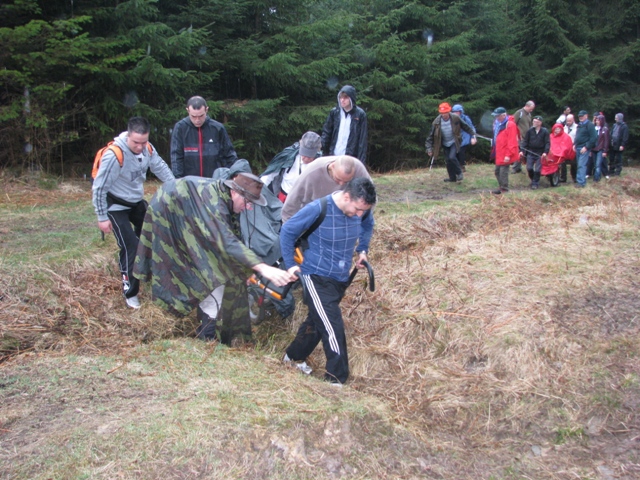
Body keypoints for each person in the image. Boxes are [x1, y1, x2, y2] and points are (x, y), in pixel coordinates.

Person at [133, 172, 297, 345]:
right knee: (199, 271)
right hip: (170, 212)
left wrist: (245, 270)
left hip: (192, 219)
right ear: (234, 192)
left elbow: (232, 236)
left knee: (216, 276)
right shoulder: (215, 204)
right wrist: (262, 267)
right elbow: (225, 241)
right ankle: (205, 337)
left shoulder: (228, 202)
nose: (249, 207)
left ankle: (205, 330)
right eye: (248, 201)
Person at [280, 177, 376, 385]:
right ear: (347, 196)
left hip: (340, 278)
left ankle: (293, 357)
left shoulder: (362, 209)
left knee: (317, 320)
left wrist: (363, 250)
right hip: (315, 275)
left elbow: (368, 224)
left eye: (363, 211)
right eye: (358, 209)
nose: (360, 215)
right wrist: (290, 264)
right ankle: (336, 379)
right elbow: (287, 231)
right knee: (332, 325)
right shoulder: (319, 208)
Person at [92, 117, 175, 310]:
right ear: (128, 136)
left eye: (143, 142)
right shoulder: (115, 156)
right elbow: (99, 188)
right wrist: (102, 217)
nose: (139, 146)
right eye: (135, 142)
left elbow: (160, 167)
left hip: (135, 201)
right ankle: (130, 293)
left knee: (155, 234)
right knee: (131, 245)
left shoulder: (148, 149)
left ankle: (151, 275)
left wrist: (175, 186)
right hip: (114, 205)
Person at [281, 155, 371, 223]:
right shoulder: (312, 172)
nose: (341, 184)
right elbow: (292, 203)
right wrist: (289, 230)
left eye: (347, 181)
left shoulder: (359, 169)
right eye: (338, 179)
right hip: (313, 215)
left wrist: (358, 219)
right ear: (332, 167)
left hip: (343, 217)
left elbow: (370, 199)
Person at [170, 96, 238, 178]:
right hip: (190, 183)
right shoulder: (180, 128)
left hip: (214, 181)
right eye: (193, 116)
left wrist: (233, 176)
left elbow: (229, 155)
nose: (197, 120)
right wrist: (178, 180)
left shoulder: (218, 128)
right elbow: (176, 157)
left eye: (201, 116)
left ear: (206, 110)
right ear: (187, 111)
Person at [260, 132, 322, 202]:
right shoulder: (289, 156)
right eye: (304, 154)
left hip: (306, 201)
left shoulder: (320, 163)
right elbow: (269, 175)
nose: (306, 158)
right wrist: (259, 189)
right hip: (285, 198)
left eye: (309, 156)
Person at [425, 102, 477, 183]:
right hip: (445, 143)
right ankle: (452, 178)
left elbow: (466, 127)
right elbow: (430, 136)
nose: (444, 115)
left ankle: (459, 173)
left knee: (452, 157)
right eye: (442, 113)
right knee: (448, 161)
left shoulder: (455, 118)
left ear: (449, 111)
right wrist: (429, 148)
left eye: (445, 112)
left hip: (454, 141)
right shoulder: (436, 122)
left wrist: (473, 135)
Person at [321, 85, 368, 164]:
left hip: (350, 158)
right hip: (333, 156)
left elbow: (362, 141)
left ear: (351, 98)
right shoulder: (334, 112)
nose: (342, 100)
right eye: (340, 97)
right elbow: (326, 133)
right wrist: (322, 151)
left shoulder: (360, 115)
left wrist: (361, 162)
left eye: (345, 97)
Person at [490, 107, 519, 195]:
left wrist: (508, 155)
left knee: (503, 172)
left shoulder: (510, 125)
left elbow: (512, 141)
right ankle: (501, 187)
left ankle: (504, 189)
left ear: (504, 115)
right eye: (496, 116)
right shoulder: (497, 123)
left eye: (498, 116)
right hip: (499, 151)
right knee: (497, 171)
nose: (496, 117)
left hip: (506, 152)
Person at [519, 115, 550, 190]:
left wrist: (545, 152)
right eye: (534, 121)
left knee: (538, 169)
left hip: (540, 152)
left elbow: (547, 143)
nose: (535, 123)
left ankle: (535, 183)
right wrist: (521, 151)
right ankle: (534, 180)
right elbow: (525, 141)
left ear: (540, 123)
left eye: (536, 122)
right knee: (529, 168)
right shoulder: (530, 131)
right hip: (531, 151)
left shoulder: (545, 131)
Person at [574, 110, 597, 188]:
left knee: (581, 164)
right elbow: (578, 136)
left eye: (582, 116)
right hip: (578, 147)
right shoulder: (579, 125)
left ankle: (581, 182)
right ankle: (579, 180)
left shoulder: (590, 125)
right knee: (579, 165)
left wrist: (587, 147)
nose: (581, 117)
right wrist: (575, 144)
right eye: (579, 116)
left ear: (586, 116)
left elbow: (593, 138)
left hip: (584, 147)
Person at [451, 104, 477, 172]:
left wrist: (473, 137)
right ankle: (456, 167)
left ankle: (462, 166)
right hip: (456, 137)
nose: (456, 113)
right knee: (455, 152)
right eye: (454, 112)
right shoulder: (451, 118)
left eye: (457, 112)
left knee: (461, 151)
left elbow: (471, 127)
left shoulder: (465, 118)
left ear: (461, 112)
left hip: (464, 137)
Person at [512, 100, 536, 173]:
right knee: (519, 151)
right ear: (527, 106)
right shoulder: (519, 113)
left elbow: (529, 125)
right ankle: (515, 168)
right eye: (531, 108)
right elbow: (513, 124)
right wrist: (515, 135)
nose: (531, 110)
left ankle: (519, 167)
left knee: (524, 152)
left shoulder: (529, 115)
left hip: (527, 137)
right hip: (519, 136)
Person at [560, 114, 578, 183]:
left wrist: (575, 145)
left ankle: (574, 177)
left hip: (573, 146)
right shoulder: (564, 128)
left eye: (570, 121)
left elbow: (578, 138)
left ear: (573, 120)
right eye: (567, 121)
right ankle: (563, 177)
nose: (568, 122)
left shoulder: (577, 127)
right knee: (562, 162)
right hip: (565, 147)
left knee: (573, 163)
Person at [592, 114, 610, 182]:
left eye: (598, 120)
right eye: (596, 120)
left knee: (598, 164)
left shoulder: (605, 129)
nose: (597, 121)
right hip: (593, 149)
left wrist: (605, 151)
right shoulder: (594, 128)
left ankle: (596, 179)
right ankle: (596, 176)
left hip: (600, 149)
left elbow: (606, 141)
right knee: (595, 164)